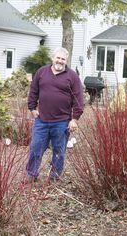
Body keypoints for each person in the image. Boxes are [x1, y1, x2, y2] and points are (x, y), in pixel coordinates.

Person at [26, 47, 84, 182]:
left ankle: (54, 177)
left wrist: (74, 119)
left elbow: (78, 99)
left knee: (59, 152)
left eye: (63, 59)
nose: (60, 61)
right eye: (58, 58)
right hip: (41, 120)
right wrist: (32, 108)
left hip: (62, 122)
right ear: (53, 58)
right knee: (35, 149)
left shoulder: (72, 76)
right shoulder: (41, 72)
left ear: (66, 61)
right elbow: (33, 91)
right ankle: (31, 175)